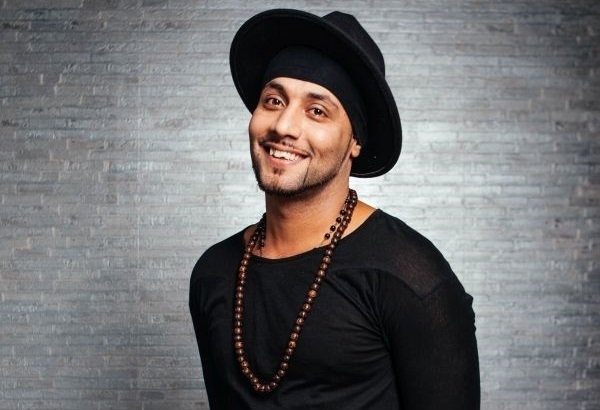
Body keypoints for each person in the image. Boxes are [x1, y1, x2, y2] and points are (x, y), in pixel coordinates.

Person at [189, 8, 480, 410]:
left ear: (355, 141)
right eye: (273, 100)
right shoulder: (214, 272)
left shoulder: (407, 276)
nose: (284, 126)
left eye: (317, 111)